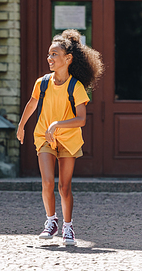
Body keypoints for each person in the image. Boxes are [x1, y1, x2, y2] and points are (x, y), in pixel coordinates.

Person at [17, 29, 104, 246]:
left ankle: (68, 227)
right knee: (47, 182)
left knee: (64, 186)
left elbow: (81, 119)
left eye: (54, 54)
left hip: (68, 139)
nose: (50, 58)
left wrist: (58, 124)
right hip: (44, 136)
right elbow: (32, 103)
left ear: (68, 58)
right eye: (49, 54)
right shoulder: (42, 83)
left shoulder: (76, 86)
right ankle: (51, 221)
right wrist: (21, 126)